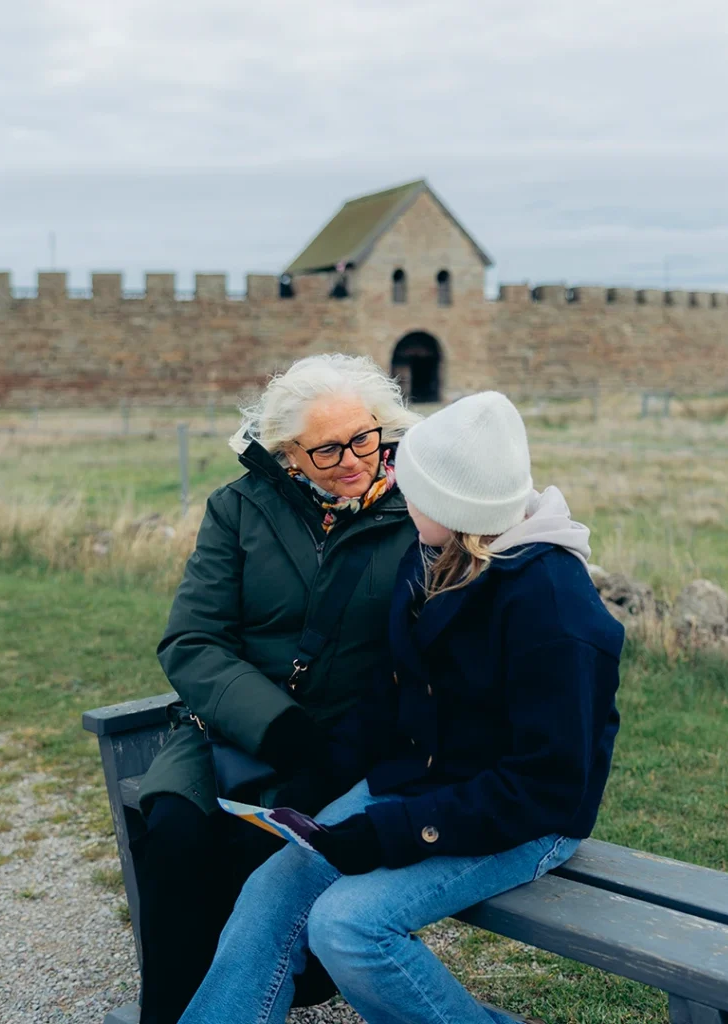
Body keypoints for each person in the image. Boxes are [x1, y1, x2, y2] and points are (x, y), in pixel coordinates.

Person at [179, 391, 624, 1024]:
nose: (396, 494)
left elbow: (547, 785)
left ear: (450, 504)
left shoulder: (555, 609)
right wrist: (319, 782)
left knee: (349, 927)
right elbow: (392, 698)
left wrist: (397, 832)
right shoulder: (433, 562)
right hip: (420, 784)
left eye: (410, 488)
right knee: (269, 894)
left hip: (528, 816)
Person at [132, 354, 420, 1024]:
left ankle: (263, 990)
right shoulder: (237, 510)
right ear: (288, 452)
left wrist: (341, 746)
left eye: (364, 437)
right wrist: (277, 726)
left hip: (350, 748)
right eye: (326, 450)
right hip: (230, 734)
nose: (353, 460)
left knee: (277, 860)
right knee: (175, 836)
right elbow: (191, 642)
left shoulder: (418, 513)